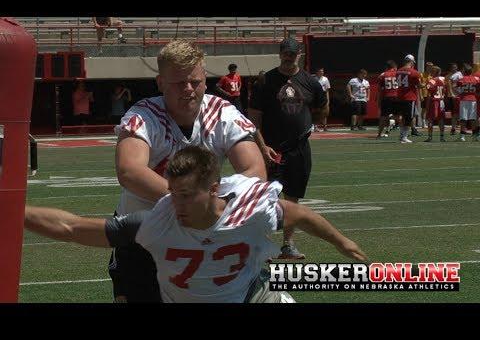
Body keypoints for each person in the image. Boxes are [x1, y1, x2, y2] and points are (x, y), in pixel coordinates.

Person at [24, 146, 367, 303]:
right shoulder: (155, 222)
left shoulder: (250, 210)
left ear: (214, 189)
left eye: (187, 195)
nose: (177, 203)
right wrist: (13, 210)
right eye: (172, 193)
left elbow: (302, 215)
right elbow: (71, 228)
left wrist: (342, 243)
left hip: (254, 296)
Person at [110, 40, 267, 302]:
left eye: (195, 82)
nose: (188, 90)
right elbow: (129, 171)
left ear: (205, 79)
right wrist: (194, 203)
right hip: (143, 236)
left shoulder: (222, 112)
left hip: (201, 237)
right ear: (160, 83)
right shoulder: (145, 115)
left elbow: (255, 170)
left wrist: (216, 209)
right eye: (178, 83)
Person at [248, 37, 326, 260]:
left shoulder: (310, 82)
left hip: (299, 148)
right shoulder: (266, 81)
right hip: (271, 149)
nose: (288, 56)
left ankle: (287, 245)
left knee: (292, 198)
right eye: (285, 52)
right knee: (264, 198)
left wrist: (308, 124)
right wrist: (262, 148)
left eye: (292, 52)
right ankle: (261, 245)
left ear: (299, 54)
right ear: (280, 53)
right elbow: (254, 119)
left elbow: (322, 108)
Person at [394, 54, 421, 143]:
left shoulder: (398, 71)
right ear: (411, 62)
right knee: (409, 118)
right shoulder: (414, 72)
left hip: (399, 96)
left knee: (402, 117)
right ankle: (404, 137)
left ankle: (402, 135)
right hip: (409, 97)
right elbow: (419, 85)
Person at [455, 64, 480, 142]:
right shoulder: (476, 79)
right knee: (473, 118)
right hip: (473, 100)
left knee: (463, 118)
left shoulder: (461, 79)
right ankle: (475, 136)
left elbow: (457, 89)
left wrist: (458, 92)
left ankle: (462, 136)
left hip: (464, 99)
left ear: (464, 71)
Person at [424, 66, 446, 142]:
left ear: (434, 72)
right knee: (441, 119)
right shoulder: (443, 79)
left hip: (434, 101)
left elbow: (428, 88)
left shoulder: (432, 80)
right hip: (442, 101)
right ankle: (442, 137)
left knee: (430, 119)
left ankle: (430, 137)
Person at [376, 60, 398, 139]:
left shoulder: (383, 75)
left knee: (383, 116)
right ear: (394, 67)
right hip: (397, 97)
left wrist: (378, 101)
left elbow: (379, 90)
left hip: (386, 97)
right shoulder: (398, 74)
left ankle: (379, 134)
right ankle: (402, 134)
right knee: (399, 116)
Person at [445, 63, 464, 136]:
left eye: (455, 67)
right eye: (453, 67)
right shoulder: (449, 76)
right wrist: (452, 93)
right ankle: (454, 128)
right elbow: (449, 85)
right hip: (453, 96)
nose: (454, 68)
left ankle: (458, 128)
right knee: (454, 113)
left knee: (458, 113)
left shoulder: (459, 74)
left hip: (458, 96)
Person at [419, 62, 434, 129]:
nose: (430, 68)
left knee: (430, 109)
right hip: (424, 94)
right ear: (426, 67)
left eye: (431, 67)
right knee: (424, 109)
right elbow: (419, 86)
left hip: (431, 94)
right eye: (429, 66)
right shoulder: (421, 75)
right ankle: (423, 122)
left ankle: (429, 122)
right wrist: (421, 95)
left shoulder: (432, 75)